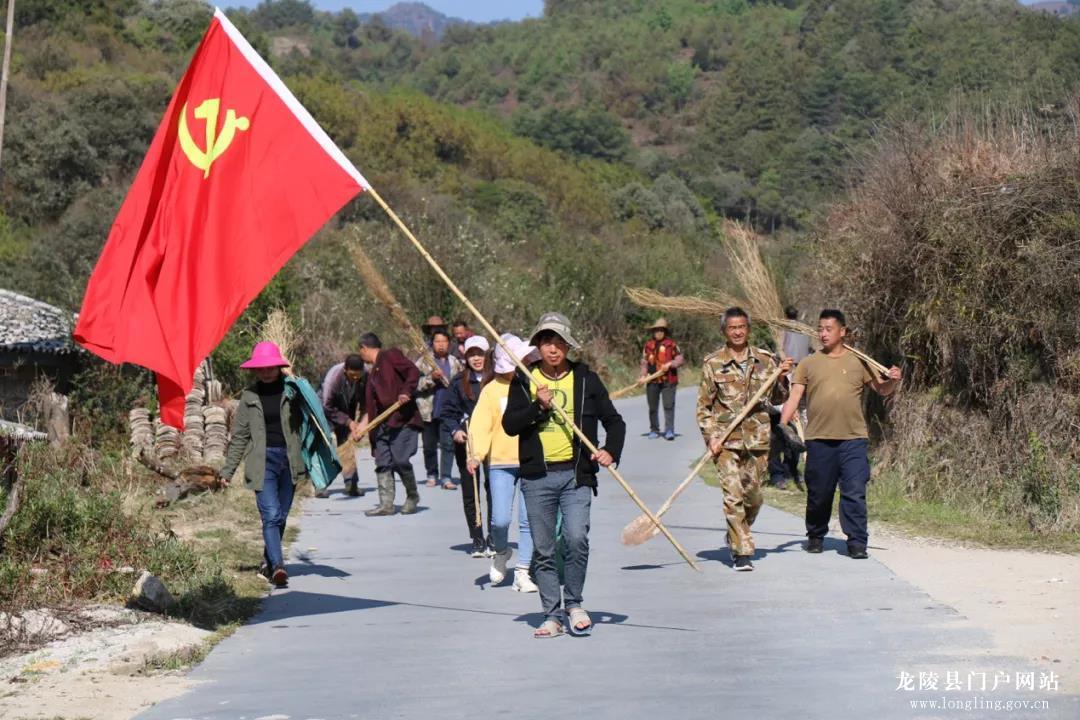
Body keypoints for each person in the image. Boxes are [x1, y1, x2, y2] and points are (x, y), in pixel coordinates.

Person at [503, 312, 626, 638]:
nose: (553, 349)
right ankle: (552, 616)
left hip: (576, 475)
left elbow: (614, 421)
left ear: (568, 346)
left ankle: (574, 603)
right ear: (538, 346)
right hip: (537, 477)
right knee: (543, 549)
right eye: (546, 342)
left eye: (559, 342)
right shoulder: (524, 379)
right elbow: (510, 425)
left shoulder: (586, 378)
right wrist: (538, 407)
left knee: (575, 539)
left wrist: (610, 451)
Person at [779, 309, 902, 559]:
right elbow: (795, 396)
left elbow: (882, 389)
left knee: (854, 491)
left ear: (842, 331)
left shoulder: (858, 361)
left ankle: (857, 542)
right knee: (819, 493)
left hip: (853, 438)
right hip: (818, 439)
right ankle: (815, 535)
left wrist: (892, 380)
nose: (823, 334)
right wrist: (783, 426)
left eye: (829, 329)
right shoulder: (809, 363)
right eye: (820, 329)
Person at [220, 342, 338, 588]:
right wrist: (228, 470)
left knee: (281, 516)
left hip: (290, 460)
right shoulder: (249, 396)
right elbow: (240, 436)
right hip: (263, 461)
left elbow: (313, 414)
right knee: (271, 515)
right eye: (261, 368)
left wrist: (299, 386)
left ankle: (268, 561)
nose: (265, 372)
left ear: (278, 367)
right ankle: (279, 567)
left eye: (270, 367)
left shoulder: (293, 391)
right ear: (255, 370)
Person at [696, 308, 793, 572]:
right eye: (732, 327)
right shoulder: (713, 363)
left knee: (754, 497)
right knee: (733, 496)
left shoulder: (766, 360)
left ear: (748, 329)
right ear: (724, 331)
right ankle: (742, 552)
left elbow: (778, 399)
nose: (737, 332)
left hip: (757, 439)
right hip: (726, 441)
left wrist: (782, 377)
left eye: (741, 327)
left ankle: (736, 532)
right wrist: (710, 437)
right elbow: (704, 407)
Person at [468, 334, 539, 592]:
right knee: (499, 520)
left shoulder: (533, 383)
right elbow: (480, 426)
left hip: (530, 459)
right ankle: (501, 551)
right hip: (500, 462)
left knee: (528, 520)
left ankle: (523, 571)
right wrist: (475, 455)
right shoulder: (491, 390)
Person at [356, 333, 424, 516]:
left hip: (402, 420)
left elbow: (413, 371)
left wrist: (406, 391)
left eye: (360, 350)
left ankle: (412, 496)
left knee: (400, 459)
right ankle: (386, 504)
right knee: (382, 461)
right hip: (382, 424)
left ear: (364, 348)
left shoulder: (390, 356)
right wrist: (362, 428)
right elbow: (371, 408)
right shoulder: (371, 374)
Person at [440, 335, 494, 556]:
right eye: (472, 355)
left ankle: (494, 536)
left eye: (480, 354)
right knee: (471, 491)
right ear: (466, 358)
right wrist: (456, 430)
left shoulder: (497, 378)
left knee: (494, 489)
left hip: (493, 442)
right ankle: (477, 537)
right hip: (468, 442)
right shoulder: (458, 382)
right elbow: (447, 412)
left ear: (487, 355)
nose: (476, 359)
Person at [415, 329, 463, 488]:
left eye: (444, 341)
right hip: (428, 412)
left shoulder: (455, 362)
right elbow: (414, 385)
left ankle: (446, 477)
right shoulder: (423, 362)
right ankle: (431, 474)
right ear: (432, 343)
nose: (441, 345)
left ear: (449, 343)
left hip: (448, 411)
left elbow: (461, 383)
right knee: (429, 446)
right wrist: (431, 379)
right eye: (437, 341)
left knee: (448, 445)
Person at [770, 306, 811, 490]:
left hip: (795, 388)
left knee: (794, 433)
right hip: (779, 394)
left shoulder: (801, 332)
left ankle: (789, 471)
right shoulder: (781, 332)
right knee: (776, 434)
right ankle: (778, 473)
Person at [318, 353, 367, 497]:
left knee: (346, 443)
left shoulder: (366, 374)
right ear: (345, 370)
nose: (356, 378)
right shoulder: (333, 378)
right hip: (324, 409)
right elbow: (327, 406)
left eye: (358, 375)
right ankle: (320, 484)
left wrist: (360, 425)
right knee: (326, 445)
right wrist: (348, 421)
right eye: (352, 375)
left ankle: (351, 483)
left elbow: (366, 402)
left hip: (347, 408)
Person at [638, 317, 685, 440]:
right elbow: (644, 363)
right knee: (652, 407)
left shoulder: (671, 345)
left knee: (668, 406)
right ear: (653, 332)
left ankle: (669, 430)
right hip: (652, 380)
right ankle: (654, 430)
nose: (658, 332)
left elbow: (680, 359)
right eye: (656, 330)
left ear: (665, 332)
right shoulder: (648, 346)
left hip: (668, 380)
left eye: (661, 330)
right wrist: (642, 376)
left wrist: (670, 364)